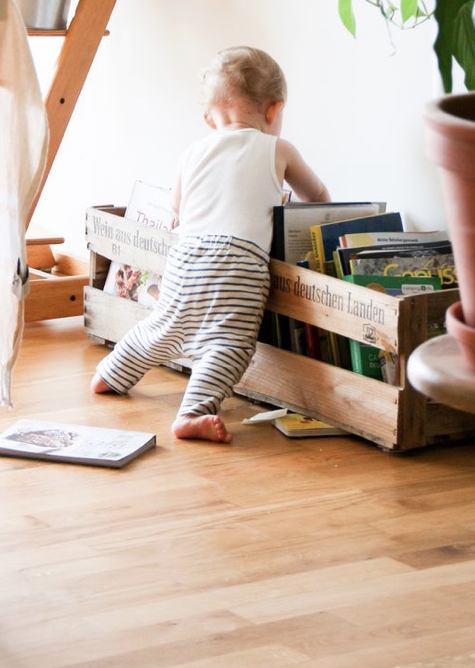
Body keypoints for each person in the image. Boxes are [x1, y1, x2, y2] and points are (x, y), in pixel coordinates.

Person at [91, 46, 330, 443]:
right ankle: (192, 411)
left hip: (187, 257)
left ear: (209, 117)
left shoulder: (192, 153)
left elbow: (176, 210)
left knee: (164, 327)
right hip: (240, 263)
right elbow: (318, 197)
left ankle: (110, 374)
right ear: (273, 110)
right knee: (230, 343)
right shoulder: (278, 149)